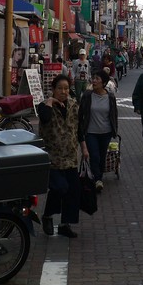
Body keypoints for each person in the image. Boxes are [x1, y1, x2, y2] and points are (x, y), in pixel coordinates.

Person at [37, 74, 88, 237]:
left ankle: (65, 224)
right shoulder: (44, 106)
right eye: (60, 88)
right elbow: (44, 118)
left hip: (71, 155)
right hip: (52, 157)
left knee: (73, 191)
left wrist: (84, 148)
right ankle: (47, 215)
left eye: (66, 88)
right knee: (59, 187)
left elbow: (78, 128)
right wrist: (50, 101)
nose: (63, 91)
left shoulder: (74, 105)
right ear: (53, 89)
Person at [79, 70, 118, 193]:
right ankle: (97, 179)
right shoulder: (87, 95)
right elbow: (81, 113)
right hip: (91, 132)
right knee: (94, 156)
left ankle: (98, 177)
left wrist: (114, 129)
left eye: (97, 79)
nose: (94, 81)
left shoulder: (110, 97)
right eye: (93, 78)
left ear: (104, 82)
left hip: (106, 132)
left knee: (101, 156)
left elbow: (114, 114)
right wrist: (80, 129)